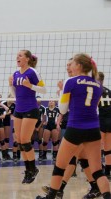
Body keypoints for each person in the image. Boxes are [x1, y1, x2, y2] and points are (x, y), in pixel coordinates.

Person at [36, 54, 111, 199]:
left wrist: (62, 92)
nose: (70, 66)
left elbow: (63, 109)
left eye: (73, 64)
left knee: (60, 165)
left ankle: (51, 196)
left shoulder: (70, 82)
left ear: (79, 66)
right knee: (97, 171)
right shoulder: (97, 84)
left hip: (75, 128)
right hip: (94, 129)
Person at [9, 51, 46, 184]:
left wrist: (30, 85)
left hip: (31, 109)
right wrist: (10, 85)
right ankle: (29, 169)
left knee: (25, 140)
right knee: (19, 141)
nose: (17, 57)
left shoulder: (32, 72)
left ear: (27, 59)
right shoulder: (15, 73)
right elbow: (15, 95)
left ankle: (33, 168)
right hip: (18, 109)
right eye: (17, 55)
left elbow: (44, 90)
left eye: (20, 55)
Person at [98, 72, 111, 179]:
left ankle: (98, 170)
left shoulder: (95, 90)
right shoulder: (109, 91)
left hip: (101, 120)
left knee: (98, 147)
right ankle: (108, 171)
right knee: (108, 148)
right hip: (110, 120)